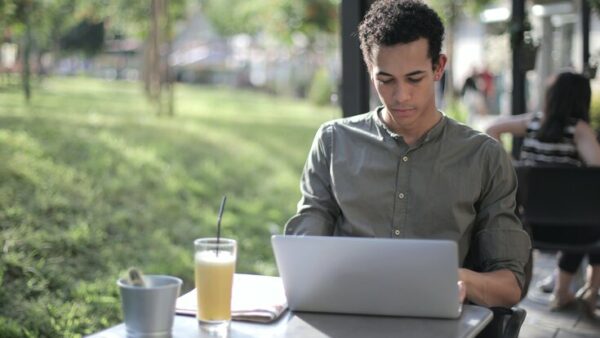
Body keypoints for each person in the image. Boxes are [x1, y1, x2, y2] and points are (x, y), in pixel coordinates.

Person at [285, 0, 530, 308]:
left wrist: (448, 278)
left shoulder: (483, 157)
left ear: (438, 67)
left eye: (415, 78)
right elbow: (303, 254)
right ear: (369, 68)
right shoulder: (334, 142)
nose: (401, 96)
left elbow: (509, 286)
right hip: (348, 316)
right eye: (385, 80)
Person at [486, 71, 600, 317]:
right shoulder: (579, 129)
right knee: (594, 219)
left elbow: (492, 129)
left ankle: (566, 290)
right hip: (573, 231)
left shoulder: (533, 122)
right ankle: (582, 290)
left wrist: (512, 165)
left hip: (529, 225)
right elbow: (596, 168)